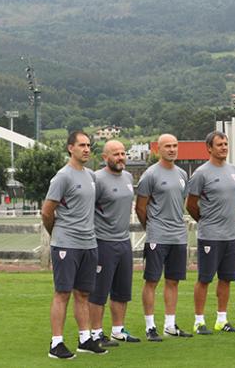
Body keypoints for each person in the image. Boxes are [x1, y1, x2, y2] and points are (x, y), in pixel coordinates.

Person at [43, 131, 107, 359]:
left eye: (89, 145)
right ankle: (56, 343)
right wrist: (57, 235)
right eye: (82, 145)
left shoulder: (91, 175)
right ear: (71, 148)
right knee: (63, 293)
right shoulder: (62, 177)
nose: (87, 149)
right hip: (66, 244)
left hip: (89, 244)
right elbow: (47, 212)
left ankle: (85, 339)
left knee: (83, 294)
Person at [135, 134, 193, 341]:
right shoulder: (150, 175)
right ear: (158, 149)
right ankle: (150, 327)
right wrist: (152, 228)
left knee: (173, 281)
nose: (172, 149)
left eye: (175, 146)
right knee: (152, 281)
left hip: (178, 236)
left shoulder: (182, 174)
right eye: (167, 146)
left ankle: (170, 324)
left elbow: (181, 202)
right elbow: (140, 208)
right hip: (157, 236)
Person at [88, 140, 141, 347]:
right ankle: (96, 333)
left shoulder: (128, 177)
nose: (121, 157)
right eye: (116, 154)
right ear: (105, 157)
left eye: (123, 153)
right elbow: (86, 208)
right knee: (99, 291)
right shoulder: (96, 179)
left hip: (123, 241)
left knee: (122, 290)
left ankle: (118, 330)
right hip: (103, 242)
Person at [187, 131, 235, 335]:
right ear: (209, 148)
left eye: (226, 143)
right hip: (210, 235)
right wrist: (205, 221)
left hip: (230, 235)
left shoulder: (234, 171)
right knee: (205, 279)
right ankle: (199, 321)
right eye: (219, 144)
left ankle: (221, 319)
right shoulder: (201, 173)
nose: (224, 147)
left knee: (226, 278)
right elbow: (191, 205)